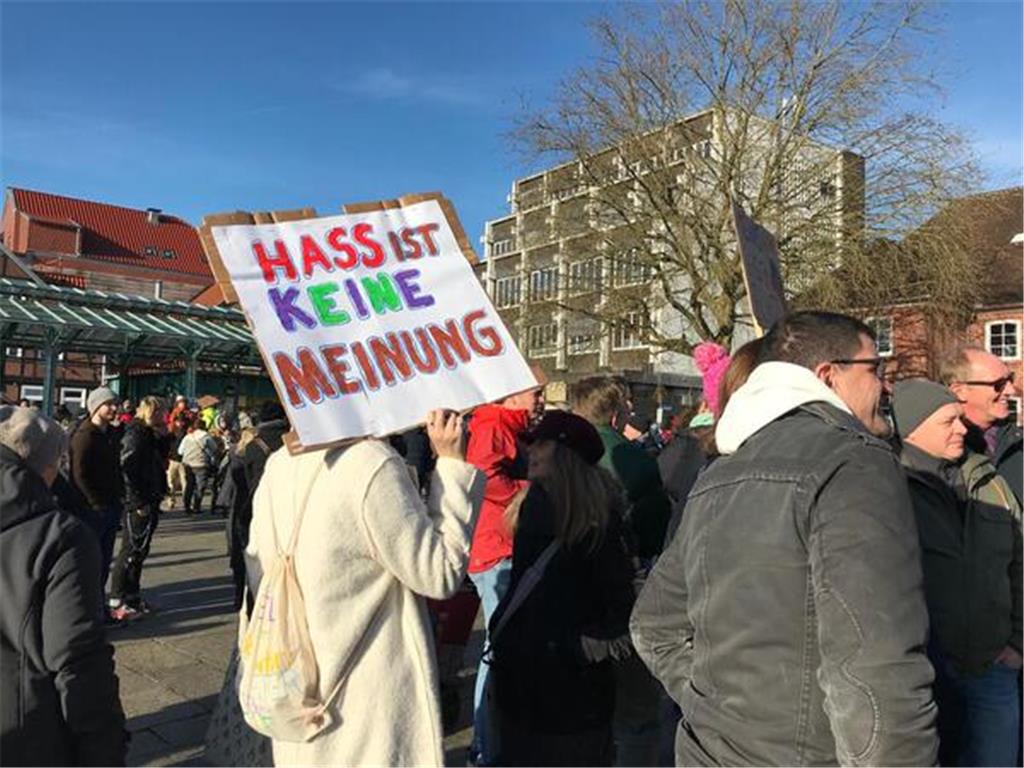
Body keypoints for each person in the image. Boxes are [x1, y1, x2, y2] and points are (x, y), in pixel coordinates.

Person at [631, 311, 937, 766]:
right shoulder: (853, 462)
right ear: (827, 375)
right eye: (876, 369)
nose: (886, 386)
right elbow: (874, 668)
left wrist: (714, 706)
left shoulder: (722, 470)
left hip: (710, 752)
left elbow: (653, 623)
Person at [244, 410, 484, 766]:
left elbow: (257, 566)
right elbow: (438, 573)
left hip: (299, 688)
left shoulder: (278, 464)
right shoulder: (370, 464)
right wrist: (451, 463)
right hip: (367, 702)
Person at [489, 410, 636, 766]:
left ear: (566, 454)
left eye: (541, 443)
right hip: (518, 689)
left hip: (574, 700)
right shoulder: (530, 509)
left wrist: (575, 648)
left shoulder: (599, 522)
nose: (532, 451)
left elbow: (620, 610)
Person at [892, 379, 1022, 767]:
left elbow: (1019, 560)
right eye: (948, 421)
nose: (962, 429)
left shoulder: (987, 479)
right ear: (914, 427)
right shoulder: (887, 483)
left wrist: (1018, 640)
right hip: (926, 675)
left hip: (994, 665)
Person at [0, 406, 127, 765]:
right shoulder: (60, 538)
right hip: (28, 737)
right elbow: (78, 661)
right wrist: (105, 752)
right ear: (49, 466)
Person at [570, 376, 673, 767]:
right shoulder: (632, 460)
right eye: (627, 407)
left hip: (568, 596)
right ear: (615, 415)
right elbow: (655, 529)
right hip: (621, 588)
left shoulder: (552, 454)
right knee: (636, 710)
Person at [463, 384, 544, 765]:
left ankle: (490, 743)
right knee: (497, 649)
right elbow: (485, 473)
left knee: (501, 647)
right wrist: (523, 492)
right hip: (498, 549)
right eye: (535, 392)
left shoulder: (508, 425)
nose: (540, 399)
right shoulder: (493, 423)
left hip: (501, 545)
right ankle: (486, 747)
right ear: (511, 395)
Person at [108, 396, 169, 622]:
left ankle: (132, 596)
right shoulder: (137, 434)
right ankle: (118, 598)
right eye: (161, 412)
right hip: (140, 500)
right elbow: (128, 469)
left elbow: (160, 459)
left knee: (140, 550)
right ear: (151, 412)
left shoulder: (149, 434)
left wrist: (164, 437)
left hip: (149, 496)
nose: (165, 416)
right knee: (131, 550)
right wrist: (137, 501)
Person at [941, 346, 1022, 502]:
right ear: (960, 391)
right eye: (999, 384)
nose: (1011, 391)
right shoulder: (941, 451)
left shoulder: (1018, 441)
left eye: (1010, 379)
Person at [68, 387, 123, 596]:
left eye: (115, 404)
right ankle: (90, 604)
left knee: (103, 560)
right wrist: (95, 501)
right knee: (93, 560)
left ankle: (98, 603)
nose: (114, 408)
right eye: (108, 404)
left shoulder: (108, 434)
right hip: (95, 508)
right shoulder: (85, 436)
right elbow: (79, 473)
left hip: (110, 504)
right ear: (95, 407)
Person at [178, 418, 218, 515]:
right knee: (200, 486)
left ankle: (187, 506)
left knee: (189, 486)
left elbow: (180, 451)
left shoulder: (187, 437)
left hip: (188, 464)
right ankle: (196, 506)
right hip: (201, 464)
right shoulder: (206, 437)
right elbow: (214, 448)